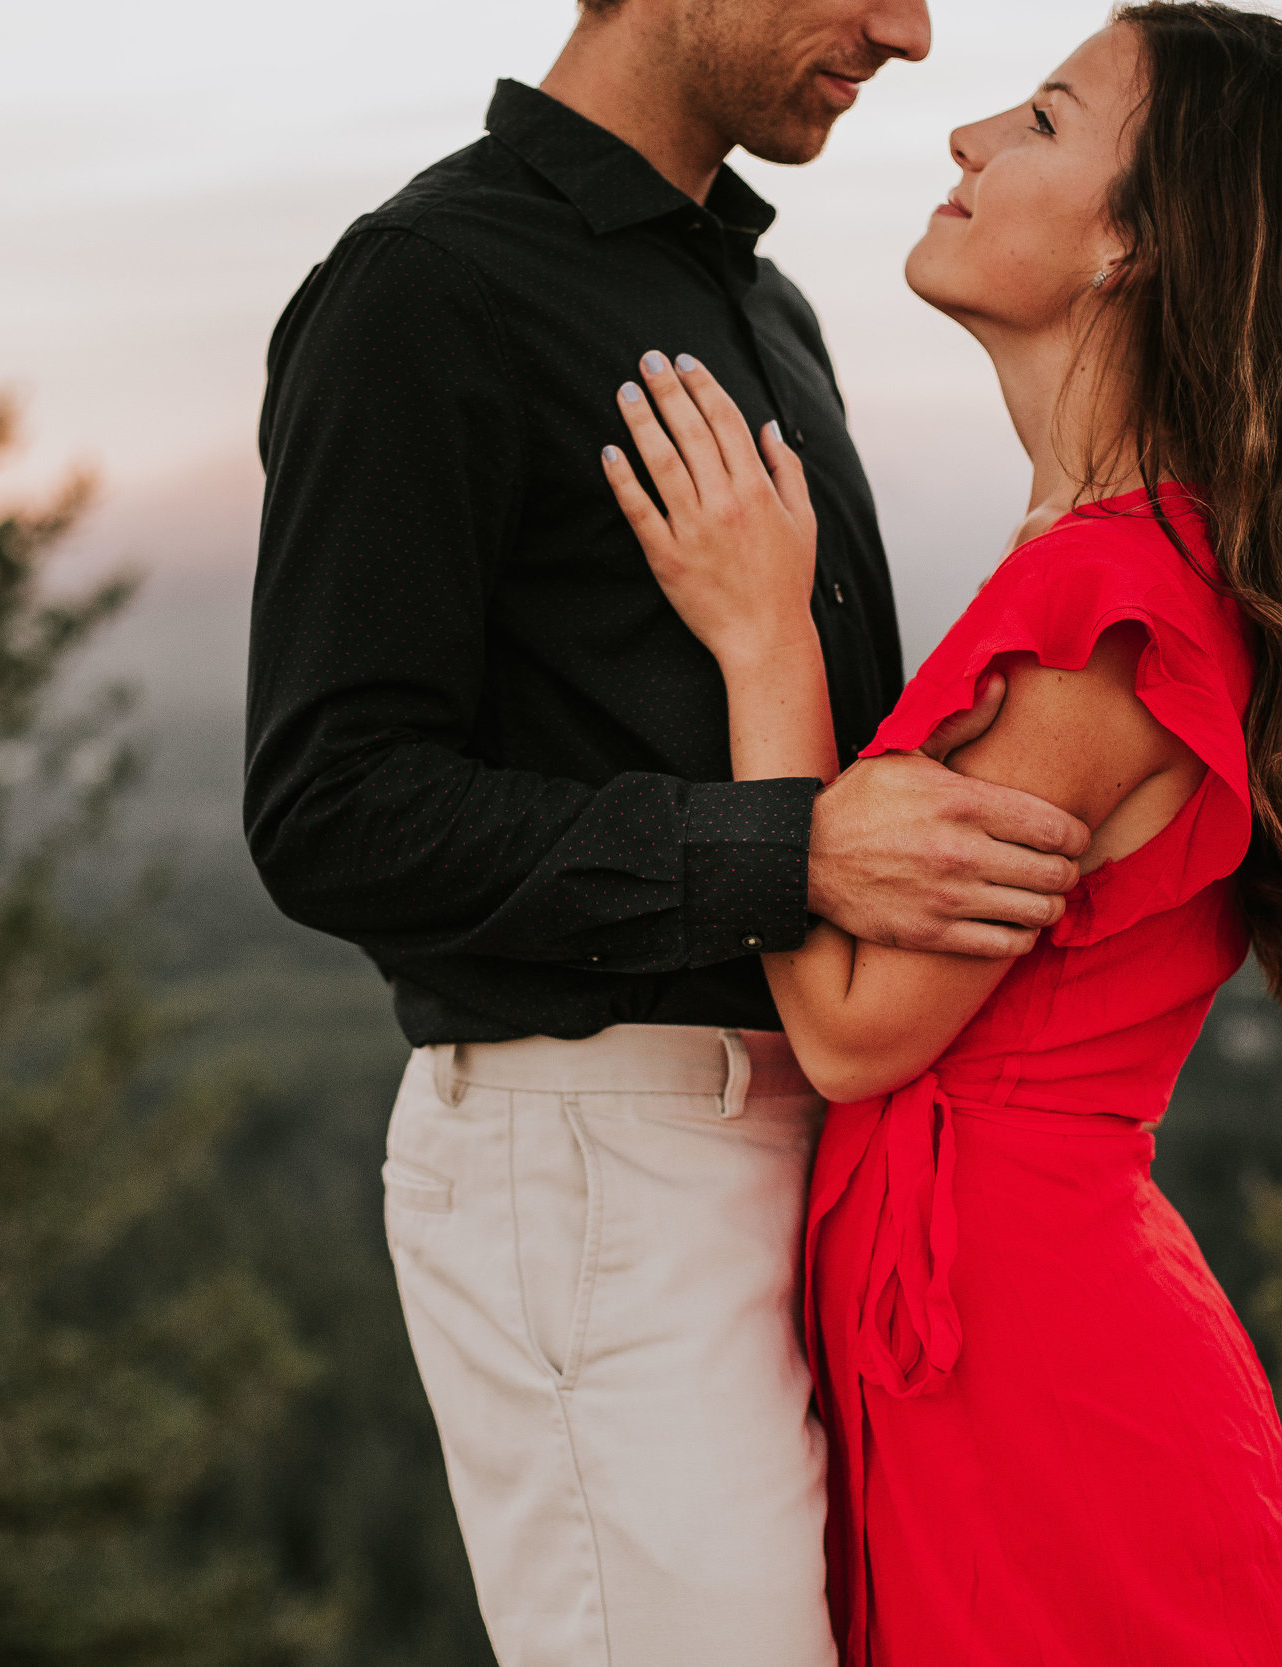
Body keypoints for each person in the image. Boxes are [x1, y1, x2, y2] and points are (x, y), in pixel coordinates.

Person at [599, 4, 1282, 1661]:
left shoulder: (1108, 606)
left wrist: (761, 638)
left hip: (1036, 1384)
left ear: (1137, 244)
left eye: (1042, 121)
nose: (963, 135)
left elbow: (861, 1029)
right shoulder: (1123, 560)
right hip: (994, 1336)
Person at [244, 2, 1099, 1663]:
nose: (910, 33)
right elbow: (327, 809)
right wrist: (788, 856)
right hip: (597, 1166)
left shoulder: (767, 309)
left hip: (822, 1153)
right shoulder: (426, 285)